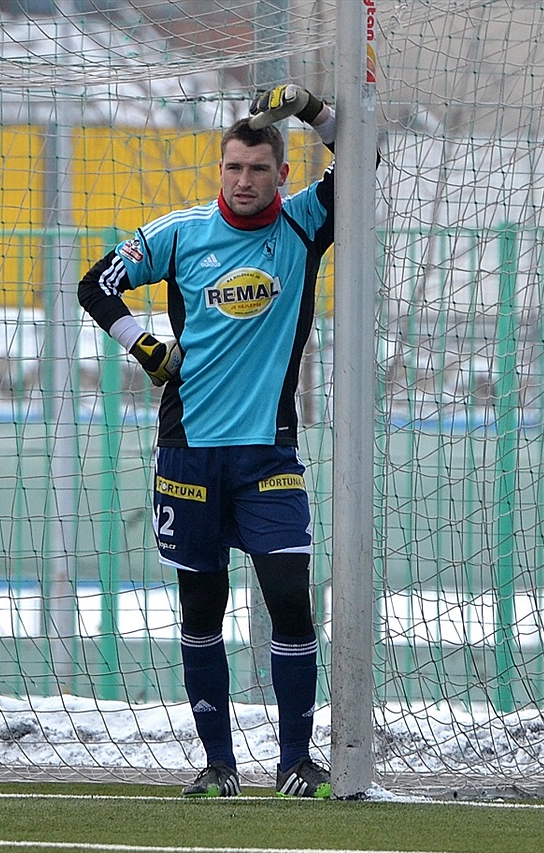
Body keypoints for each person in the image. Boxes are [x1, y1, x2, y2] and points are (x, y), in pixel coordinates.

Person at [78, 84, 336, 798]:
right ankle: (219, 765)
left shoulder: (306, 224)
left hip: (269, 455)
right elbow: (94, 284)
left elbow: (366, 158)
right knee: (202, 608)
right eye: (233, 168)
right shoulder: (180, 233)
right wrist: (146, 348)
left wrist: (312, 110)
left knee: (289, 597)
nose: (244, 180)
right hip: (188, 454)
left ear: (282, 175)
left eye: (258, 169)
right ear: (219, 171)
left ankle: (295, 761)